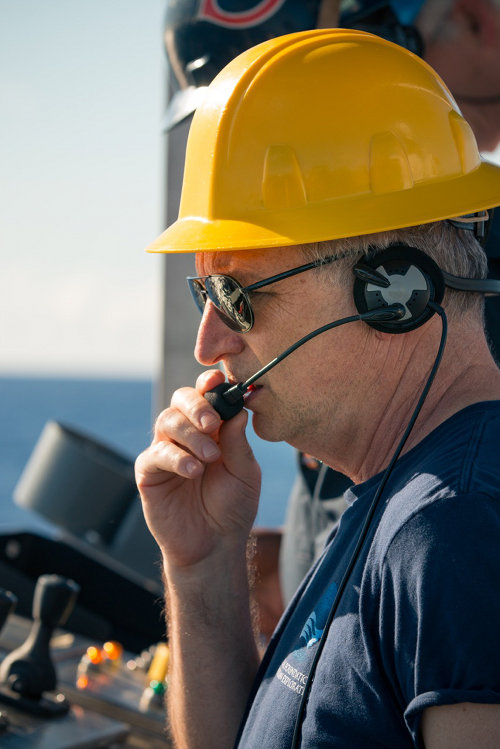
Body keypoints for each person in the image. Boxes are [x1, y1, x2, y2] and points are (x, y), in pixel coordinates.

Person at [136, 30, 500, 748]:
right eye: (202, 293)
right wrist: (203, 562)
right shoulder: (394, 495)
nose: (210, 343)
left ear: (391, 292)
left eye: (238, 296)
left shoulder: (457, 529)